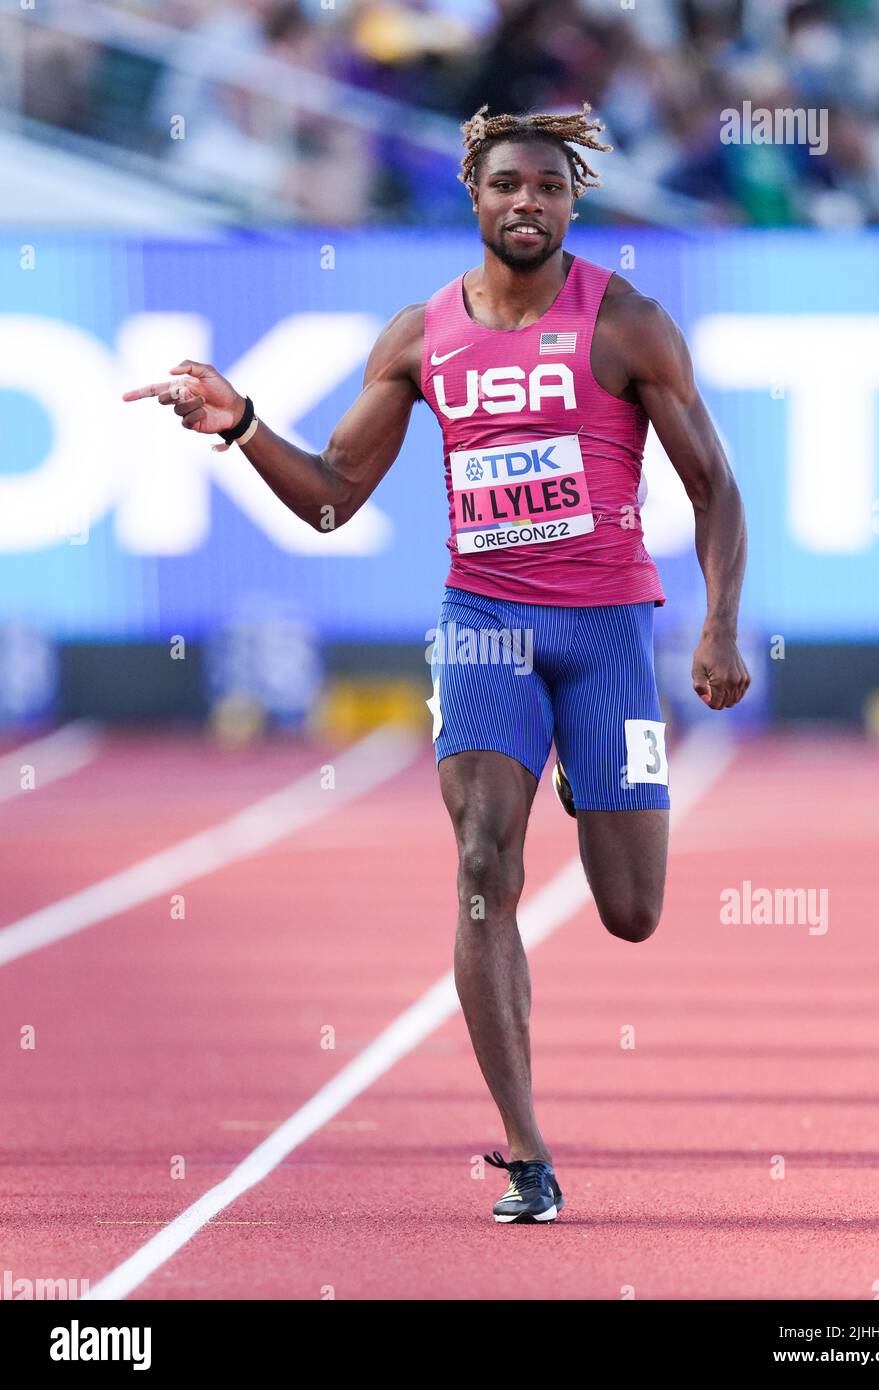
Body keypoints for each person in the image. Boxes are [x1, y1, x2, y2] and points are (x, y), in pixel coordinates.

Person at [123, 102, 750, 1225]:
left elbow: (715, 488)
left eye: (550, 189)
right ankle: (524, 1149)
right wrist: (239, 423)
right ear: (473, 194)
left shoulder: (629, 325)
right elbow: (327, 498)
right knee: (480, 867)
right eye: (508, 184)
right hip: (482, 626)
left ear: (573, 203)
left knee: (631, 909)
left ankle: (577, 760)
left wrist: (716, 627)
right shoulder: (420, 337)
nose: (528, 203)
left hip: (606, 631)